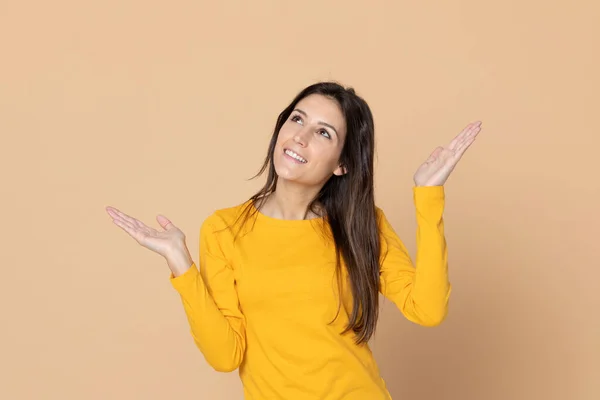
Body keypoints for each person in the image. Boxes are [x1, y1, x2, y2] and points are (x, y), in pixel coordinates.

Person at [105, 81, 481, 399]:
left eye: (323, 132)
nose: (299, 137)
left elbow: (428, 309)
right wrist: (180, 262)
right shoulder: (223, 229)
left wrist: (428, 196)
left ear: (342, 164)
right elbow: (225, 355)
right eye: (296, 119)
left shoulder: (361, 224)